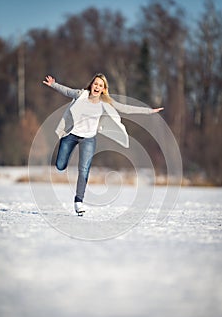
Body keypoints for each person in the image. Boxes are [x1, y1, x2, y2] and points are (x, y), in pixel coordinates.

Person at [43, 73, 164, 215]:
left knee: (84, 170)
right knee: (60, 165)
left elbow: (125, 108)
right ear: (91, 85)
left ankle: (78, 201)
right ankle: (63, 157)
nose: (97, 87)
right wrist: (53, 84)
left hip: (89, 138)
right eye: (95, 84)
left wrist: (149, 111)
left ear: (103, 88)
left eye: (100, 85)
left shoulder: (105, 102)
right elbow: (66, 90)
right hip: (71, 134)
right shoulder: (80, 94)